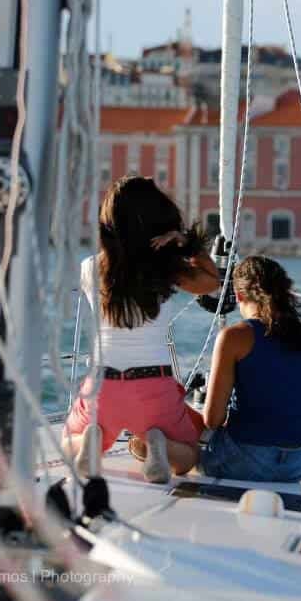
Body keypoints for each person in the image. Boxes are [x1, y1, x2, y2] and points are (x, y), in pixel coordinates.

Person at [62, 175, 219, 483]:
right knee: (188, 454)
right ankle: (155, 444)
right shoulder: (166, 268)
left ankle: (90, 442)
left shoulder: (90, 267)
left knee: (68, 441)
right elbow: (212, 282)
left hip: (103, 385)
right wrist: (186, 243)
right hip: (152, 387)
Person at [200, 256, 301, 482]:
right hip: (296, 466)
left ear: (240, 295)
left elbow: (212, 419)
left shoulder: (234, 336)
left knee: (185, 444)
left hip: (244, 460)